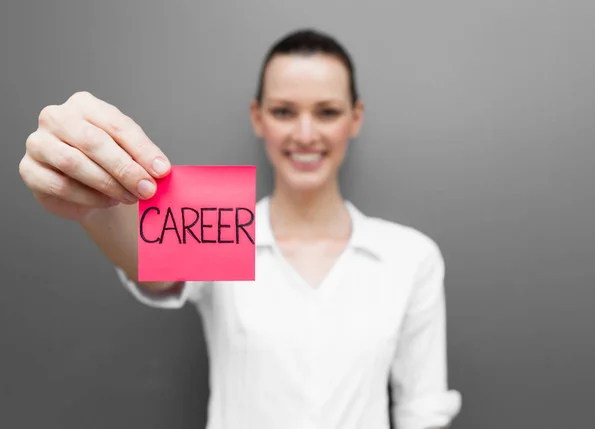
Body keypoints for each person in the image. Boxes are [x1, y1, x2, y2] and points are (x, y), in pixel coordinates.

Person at [18, 28, 461, 429]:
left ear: (355, 117)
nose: (305, 134)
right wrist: (89, 201)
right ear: (258, 117)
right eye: (284, 111)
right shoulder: (223, 231)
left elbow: (421, 411)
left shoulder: (409, 256)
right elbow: (151, 268)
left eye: (326, 112)